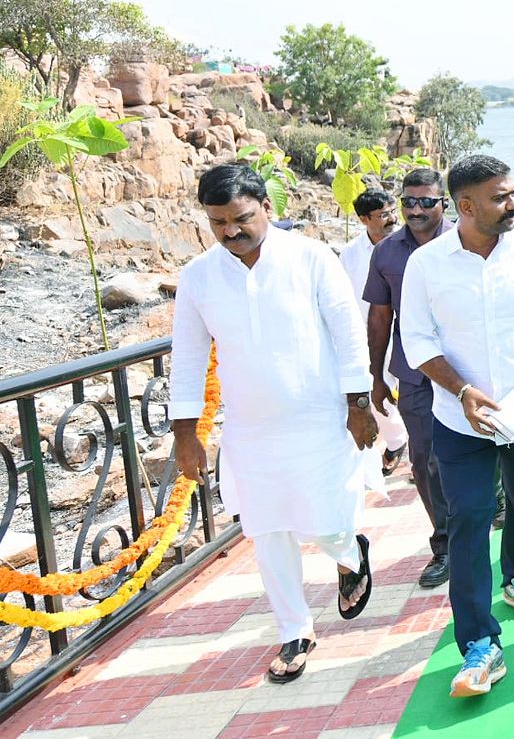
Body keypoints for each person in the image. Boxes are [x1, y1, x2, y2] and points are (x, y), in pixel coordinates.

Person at [170, 163, 375, 684]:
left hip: (320, 417)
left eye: (240, 218)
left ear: (267, 207)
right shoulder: (198, 277)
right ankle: (295, 630)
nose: (230, 231)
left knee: (327, 522)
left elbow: (349, 332)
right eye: (218, 222)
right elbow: (188, 358)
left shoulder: (311, 257)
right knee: (267, 531)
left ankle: (350, 554)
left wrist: (359, 403)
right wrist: (186, 435)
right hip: (250, 428)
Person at [399, 154, 514, 698]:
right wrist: (462, 392)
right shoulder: (426, 265)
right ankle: (479, 644)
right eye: (501, 197)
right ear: (466, 205)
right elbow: (417, 341)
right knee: (470, 519)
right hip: (459, 418)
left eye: (512, 193)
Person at [363, 169, 454, 590]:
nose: (416, 209)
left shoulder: (467, 240)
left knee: (486, 450)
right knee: (426, 461)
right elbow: (380, 317)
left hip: (468, 368)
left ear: (444, 203)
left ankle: (494, 501)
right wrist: (376, 377)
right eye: (409, 202)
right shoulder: (386, 253)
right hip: (416, 375)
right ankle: (445, 544)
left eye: (427, 202)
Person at [341, 188, 407, 476]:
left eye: (393, 211)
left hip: (408, 333)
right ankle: (397, 440)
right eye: (383, 215)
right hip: (370, 337)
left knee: (417, 396)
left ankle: (419, 461)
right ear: (363, 219)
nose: (391, 218)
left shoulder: (409, 243)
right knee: (375, 391)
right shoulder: (350, 254)